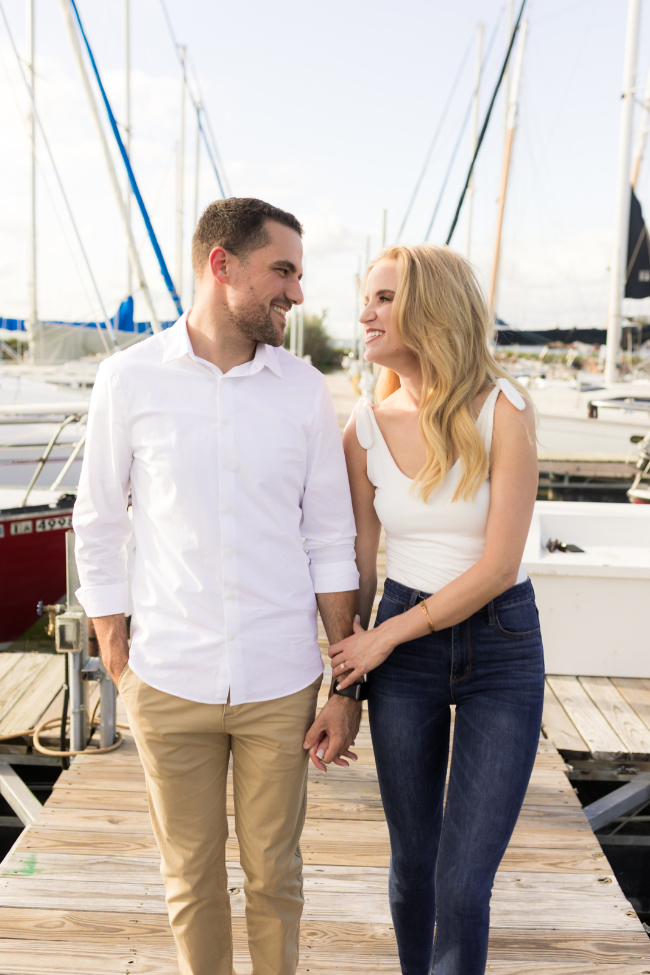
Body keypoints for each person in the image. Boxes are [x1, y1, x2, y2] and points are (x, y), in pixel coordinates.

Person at [73, 198, 363, 975]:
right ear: (220, 264)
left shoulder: (303, 391)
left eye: (298, 275)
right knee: (190, 880)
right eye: (283, 271)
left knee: (276, 875)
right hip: (167, 678)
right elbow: (98, 523)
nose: (296, 293)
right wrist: (117, 656)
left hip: (279, 680)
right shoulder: (127, 380)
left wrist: (345, 686)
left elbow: (331, 541)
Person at [329, 244, 544, 975]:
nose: (365, 312)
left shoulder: (503, 409)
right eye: (367, 296)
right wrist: (345, 684)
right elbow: (357, 564)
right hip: (402, 652)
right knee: (412, 865)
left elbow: (498, 565)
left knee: (462, 881)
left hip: (500, 641)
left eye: (384, 297)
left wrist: (386, 636)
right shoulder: (361, 426)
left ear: (431, 307)